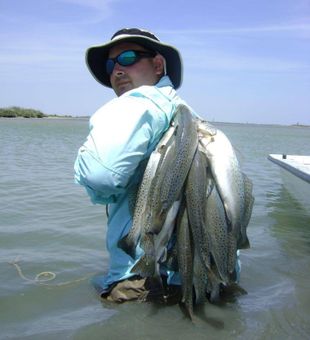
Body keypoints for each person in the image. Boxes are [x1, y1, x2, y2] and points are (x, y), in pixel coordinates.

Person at [74, 28, 240, 303]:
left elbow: (102, 176)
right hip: (211, 277)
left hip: (145, 281)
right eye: (110, 64)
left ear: (158, 64)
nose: (116, 70)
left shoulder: (140, 103)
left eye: (127, 57)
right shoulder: (192, 117)